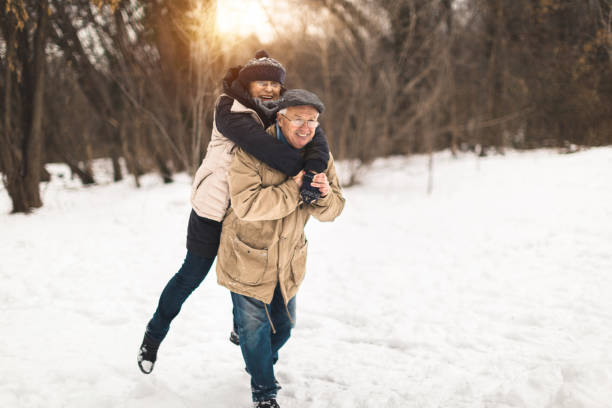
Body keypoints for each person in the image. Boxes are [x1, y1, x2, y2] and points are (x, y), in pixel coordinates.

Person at [137, 51, 330, 374]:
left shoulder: (282, 110)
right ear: (247, 83)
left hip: (248, 214)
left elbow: (317, 138)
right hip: (214, 210)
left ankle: (242, 331)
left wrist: (313, 167)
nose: (269, 89)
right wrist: (305, 173)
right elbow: (265, 148)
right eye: (261, 82)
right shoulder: (229, 109)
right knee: (190, 276)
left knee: (245, 278)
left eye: (274, 84)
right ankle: (153, 336)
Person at [216, 89, 345, 408]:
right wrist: (295, 188)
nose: (306, 127)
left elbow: (334, 209)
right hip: (246, 255)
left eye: (312, 121)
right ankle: (263, 390)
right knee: (255, 328)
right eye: (298, 119)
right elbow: (245, 205)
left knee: (284, 326)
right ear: (280, 118)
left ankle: (255, 357)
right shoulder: (251, 152)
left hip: (288, 260)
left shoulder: (320, 158)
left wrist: (324, 194)